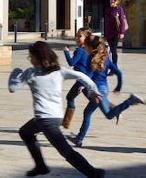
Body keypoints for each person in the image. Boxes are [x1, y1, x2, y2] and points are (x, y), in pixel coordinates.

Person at [8, 41, 106, 178]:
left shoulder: (30, 73)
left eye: (31, 56)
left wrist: (15, 72)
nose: (30, 59)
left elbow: (12, 88)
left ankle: (93, 173)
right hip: (56, 117)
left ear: (39, 57)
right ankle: (41, 166)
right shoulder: (60, 71)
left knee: (65, 150)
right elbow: (82, 76)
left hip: (45, 120)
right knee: (25, 132)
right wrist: (93, 91)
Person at [73, 36, 146, 147]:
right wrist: (118, 86)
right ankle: (79, 139)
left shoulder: (91, 58)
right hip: (103, 89)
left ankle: (131, 100)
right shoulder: (105, 59)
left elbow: (89, 74)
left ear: (90, 47)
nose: (85, 48)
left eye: (86, 46)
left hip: (96, 91)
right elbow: (119, 73)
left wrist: (82, 85)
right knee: (87, 112)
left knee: (109, 115)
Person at [61, 28, 93, 129]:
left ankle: (66, 122)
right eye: (76, 36)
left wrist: (66, 52)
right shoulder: (88, 50)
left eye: (80, 36)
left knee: (70, 97)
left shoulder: (80, 50)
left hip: (82, 80)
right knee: (95, 100)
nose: (77, 38)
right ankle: (113, 111)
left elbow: (71, 63)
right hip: (85, 80)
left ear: (86, 38)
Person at [103, 0, 127, 65]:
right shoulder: (108, 9)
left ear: (118, 2)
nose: (112, 1)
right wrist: (105, 34)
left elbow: (122, 21)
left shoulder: (119, 9)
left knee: (113, 49)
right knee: (109, 49)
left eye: (114, 0)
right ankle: (110, 65)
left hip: (115, 33)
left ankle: (114, 65)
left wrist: (122, 32)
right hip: (108, 33)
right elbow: (105, 22)